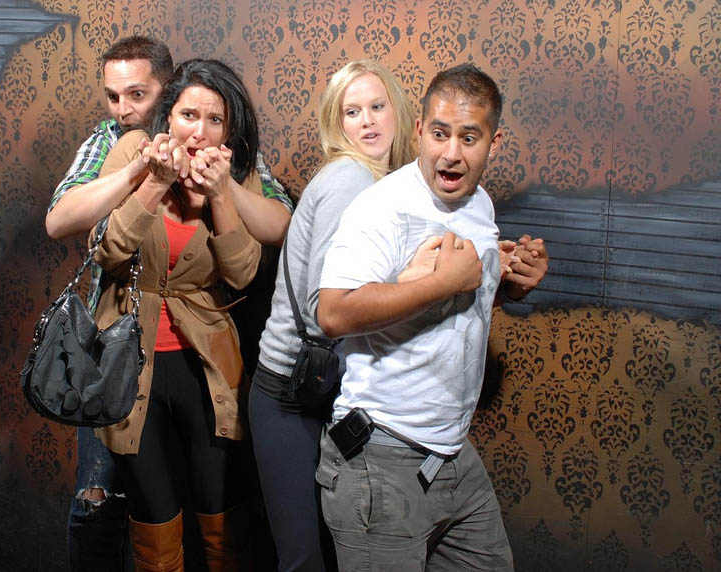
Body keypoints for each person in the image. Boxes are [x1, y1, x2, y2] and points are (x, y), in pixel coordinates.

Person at [46, 37, 291, 571]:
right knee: (149, 514)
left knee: (221, 512)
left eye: (213, 120)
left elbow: (244, 272)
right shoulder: (130, 148)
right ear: (169, 115)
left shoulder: (238, 170)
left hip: (207, 363)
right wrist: (153, 184)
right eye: (188, 116)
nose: (198, 131)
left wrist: (222, 194)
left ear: (229, 129)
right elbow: (107, 250)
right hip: (130, 363)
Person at [315, 63, 549, 571]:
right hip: (382, 452)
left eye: (469, 137)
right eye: (440, 134)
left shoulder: (479, 203)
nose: (451, 153)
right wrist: (441, 282)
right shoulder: (382, 207)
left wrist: (509, 285)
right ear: (420, 130)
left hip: (451, 452)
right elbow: (331, 313)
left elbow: (459, 304)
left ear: (494, 142)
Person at [249, 60, 418, 571]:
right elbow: (327, 308)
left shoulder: (385, 183)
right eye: (352, 111)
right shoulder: (350, 178)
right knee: (305, 559)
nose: (367, 121)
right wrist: (428, 282)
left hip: (326, 392)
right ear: (336, 123)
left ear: (397, 110)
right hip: (291, 393)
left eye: (377, 106)